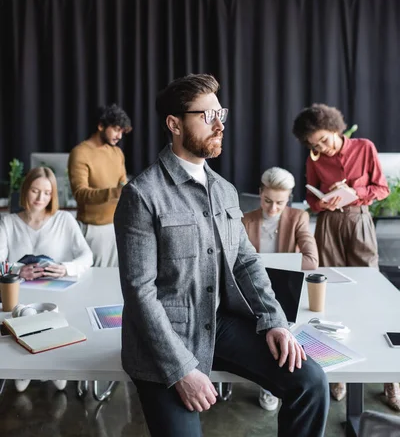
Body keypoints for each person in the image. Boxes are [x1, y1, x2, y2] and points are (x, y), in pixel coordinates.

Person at [114, 74, 329, 437]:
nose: (220, 124)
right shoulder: (142, 195)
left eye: (221, 114)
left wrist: (274, 320)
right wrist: (182, 369)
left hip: (219, 323)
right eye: (207, 115)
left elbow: (245, 261)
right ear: (174, 124)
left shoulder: (225, 191)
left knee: (310, 382)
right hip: (164, 342)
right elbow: (140, 293)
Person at [292, 103, 398, 409]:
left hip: (359, 220)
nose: (320, 148)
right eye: (313, 145)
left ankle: (392, 380)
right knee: (334, 297)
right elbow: (311, 198)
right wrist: (321, 203)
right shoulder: (314, 159)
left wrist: (353, 190)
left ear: (336, 129)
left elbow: (381, 189)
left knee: (373, 296)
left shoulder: (364, 148)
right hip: (328, 225)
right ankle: (340, 373)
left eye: (323, 140)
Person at [0, 166, 93, 393]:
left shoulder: (64, 219)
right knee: (23, 324)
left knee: (52, 327)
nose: (40, 198)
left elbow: (87, 256)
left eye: (47, 193)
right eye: (34, 191)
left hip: (56, 294)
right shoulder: (8, 222)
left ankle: (53, 369)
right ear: (25, 191)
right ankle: (25, 370)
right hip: (21, 295)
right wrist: (19, 270)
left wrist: (65, 268)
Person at [243, 166, 318, 412]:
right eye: (267, 201)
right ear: (260, 193)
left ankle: (275, 385)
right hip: (251, 287)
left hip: (286, 288)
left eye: (280, 203)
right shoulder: (246, 220)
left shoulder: (298, 217)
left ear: (289, 199)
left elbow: (311, 259)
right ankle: (267, 383)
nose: (273, 208)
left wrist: (271, 266)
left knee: (283, 335)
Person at [68, 104, 131, 267]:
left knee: (115, 284)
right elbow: (80, 193)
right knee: (94, 283)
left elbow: (123, 183)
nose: (119, 136)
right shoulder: (80, 153)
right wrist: (115, 192)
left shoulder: (117, 152)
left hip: (118, 227)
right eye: (116, 129)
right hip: (93, 231)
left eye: (122, 131)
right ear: (101, 126)